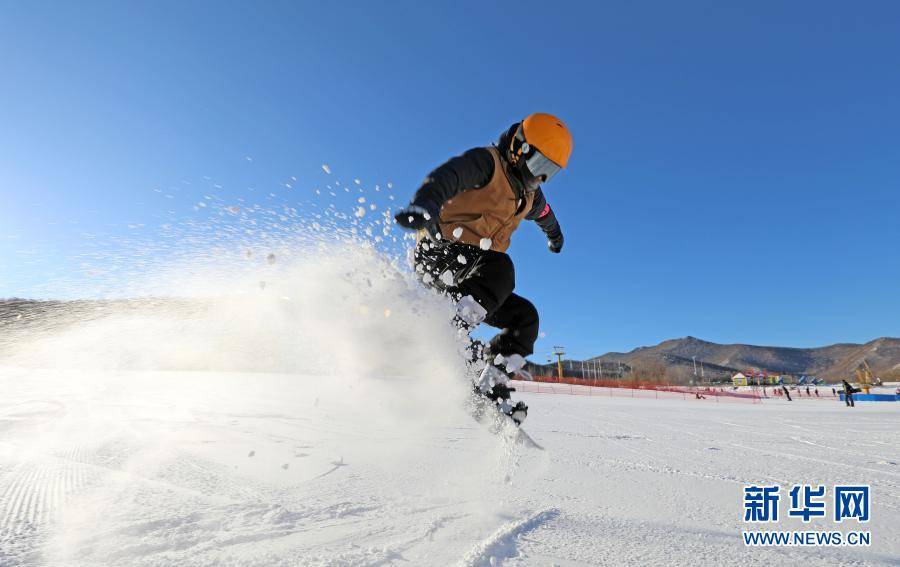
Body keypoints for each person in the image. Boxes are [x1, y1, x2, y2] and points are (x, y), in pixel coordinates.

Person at [393, 113, 573, 425]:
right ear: (520, 148)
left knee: (526, 318)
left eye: (549, 173)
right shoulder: (488, 163)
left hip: (474, 278)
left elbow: (546, 215)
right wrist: (425, 205)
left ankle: (490, 381)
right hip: (441, 251)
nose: (538, 178)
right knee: (502, 269)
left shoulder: (530, 195)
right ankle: (448, 334)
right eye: (537, 166)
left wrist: (555, 237)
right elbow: (449, 175)